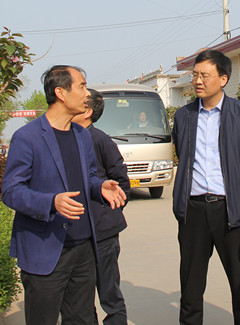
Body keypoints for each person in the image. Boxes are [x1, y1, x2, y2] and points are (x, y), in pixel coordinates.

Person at [1, 65, 127, 325]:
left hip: (83, 249)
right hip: (45, 250)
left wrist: (99, 187)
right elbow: (11, 191)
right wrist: (51, 202)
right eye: (82, 86)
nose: (87, 94)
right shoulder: (27, 137)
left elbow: (88, 177)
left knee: (82, 319)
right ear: (60, 92)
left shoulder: (82, 136)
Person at [171, 49, 240, 325]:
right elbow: (182, 154)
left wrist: (235, 185)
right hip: (193, 210)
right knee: (191, 285)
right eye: (195, 75)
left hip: (231, 211)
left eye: (205, 75)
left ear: (223, 79)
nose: (198, 81)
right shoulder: (184, 116)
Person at [72, 89, 131, 325]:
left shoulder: (100, 140)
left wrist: (108, 213)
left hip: (103, 234)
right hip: (78, 232)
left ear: (87, 111)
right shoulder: (67, 139)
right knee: (81, 296)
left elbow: (122, 183)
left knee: (109, 292)